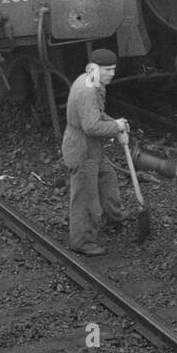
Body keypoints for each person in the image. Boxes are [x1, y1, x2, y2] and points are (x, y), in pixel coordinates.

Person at [61, 47, 129, 256]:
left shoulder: (95, 82)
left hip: (94, 148)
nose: (112, 74)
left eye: (113, 69)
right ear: (94, 69)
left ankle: (113, 218)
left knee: (107, 180)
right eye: (107, 69)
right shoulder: (87, 90)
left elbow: (99, 115)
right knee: (85, 197)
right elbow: (91, 126)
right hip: (81, 149)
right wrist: (115, 127)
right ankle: (82, 242)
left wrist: (118, 123)